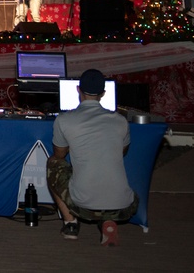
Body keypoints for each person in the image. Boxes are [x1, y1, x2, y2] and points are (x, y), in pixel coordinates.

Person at [47, 68, 138, 246]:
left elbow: (59, 155)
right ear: (103, 93)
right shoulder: (120, 120)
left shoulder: (65, 120)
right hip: (124, 205)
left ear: (78, 90)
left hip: (83, 204)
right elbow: (122, 152)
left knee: (53, 164)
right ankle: (108, 221)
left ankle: (70, 223)